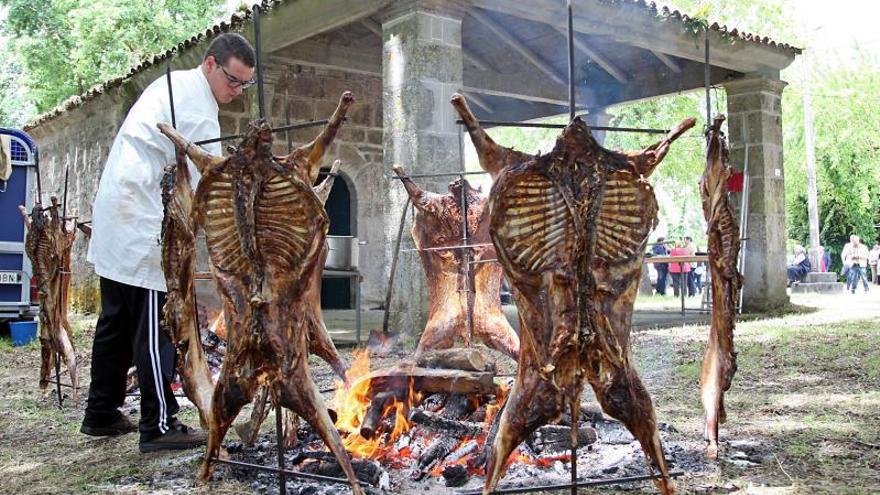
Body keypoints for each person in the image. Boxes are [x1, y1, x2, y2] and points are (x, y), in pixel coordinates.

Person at [80, 34, 256, 453]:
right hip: (143, 218)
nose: (237, 91)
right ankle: (158, 426)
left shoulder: (173, 83)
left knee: (116, 321)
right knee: (157, 323)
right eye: (233, 80)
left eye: (245, 85)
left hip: (119, 211)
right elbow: (204, 187)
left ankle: (100, 413)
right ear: (211, 64)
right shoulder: (197, 110)